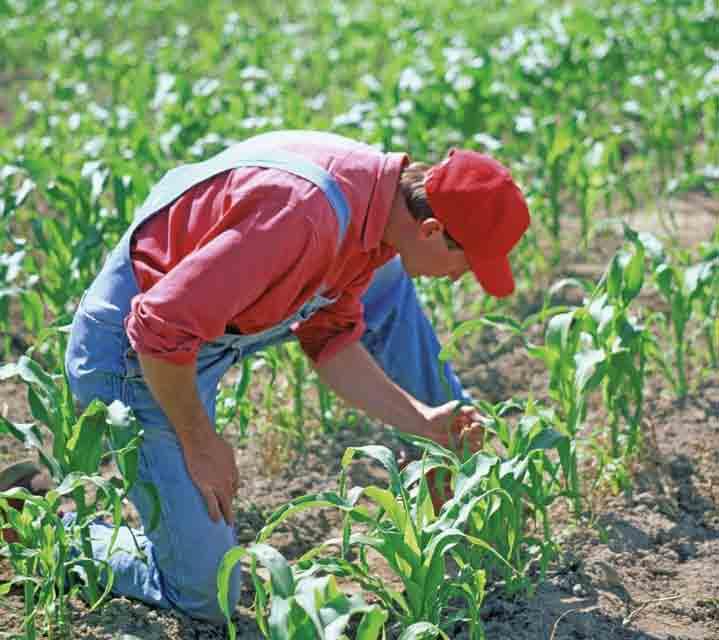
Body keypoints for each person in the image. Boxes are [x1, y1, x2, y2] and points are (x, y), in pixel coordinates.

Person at [0, 130, 530, 622]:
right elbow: (158, 326)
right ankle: (40, 526)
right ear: (432, 230)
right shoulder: (304, 217)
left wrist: (423, 421)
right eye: (469, 264)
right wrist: (200, 440)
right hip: (136, 355)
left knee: (388, 285)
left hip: (211, 320)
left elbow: (330, 338)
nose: (463, 279)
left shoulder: (381, 207)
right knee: (209, 594)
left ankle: (453, 471)